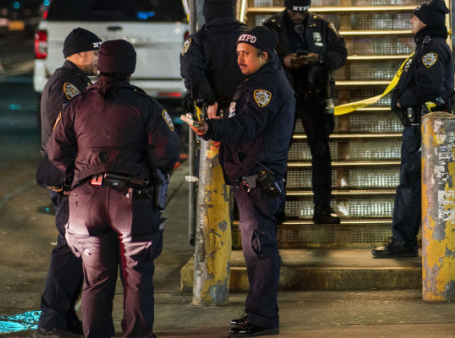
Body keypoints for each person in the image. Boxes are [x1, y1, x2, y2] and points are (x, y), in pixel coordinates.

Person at [47, 39, 180, 337]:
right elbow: (167, 153)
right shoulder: (145, 105)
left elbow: (56, 154)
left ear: (99, 67)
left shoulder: (76, 105)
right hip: (131, 201)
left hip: (85, 203)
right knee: (137, 275)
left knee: (95, 280)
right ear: (130, 69)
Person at [188, 26, 294, 336]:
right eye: (238, 53)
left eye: (246, 54)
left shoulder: (267, 87)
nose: (240, 59)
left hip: (258, 178)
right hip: (249, 175)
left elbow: (248, 125)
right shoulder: (255, 82)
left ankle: (262, 318)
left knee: (260, 249)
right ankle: (259, 314)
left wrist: (214, 129)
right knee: (254, 249)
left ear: (264, 55)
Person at [372, 0, 455, 259]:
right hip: (422, 127)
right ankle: (406, 238)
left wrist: (401, 100)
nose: (411, 22)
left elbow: (430, 86)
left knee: (410, 184)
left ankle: (404, 240)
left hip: (423, 128)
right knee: (413, 184)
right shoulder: (428, 46)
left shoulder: (432, 49)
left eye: (415, 18)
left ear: (425, 22)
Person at [34, 27, 102, 337]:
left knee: (79, 250)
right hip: (68, 180)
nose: (98, 58)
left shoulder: (77, 82)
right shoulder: (66, 86)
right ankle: (51, 320)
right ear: (78, 54)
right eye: (95, 52)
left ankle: (64, 316)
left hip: (76, 178)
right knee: (68, 250)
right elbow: (67, 136)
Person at [263, 0, 347, 224]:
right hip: (282, 99)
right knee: (277, 154)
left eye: (302, 10)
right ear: (286, 7)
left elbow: (341, 54)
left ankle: (322, 208)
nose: (297, 15)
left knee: (321, 153)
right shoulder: (272, 27)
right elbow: (255, 56)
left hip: (315, 97)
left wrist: (319, 58)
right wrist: (282, 61)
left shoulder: (322, 25)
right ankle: (276, 209)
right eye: (293, 10)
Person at [180, 0, 248, 119]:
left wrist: (209, 100)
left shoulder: (198, 40)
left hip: (214, 112)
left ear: (207, 13)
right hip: (248, 108)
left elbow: (191, 71)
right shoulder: (251, 37)